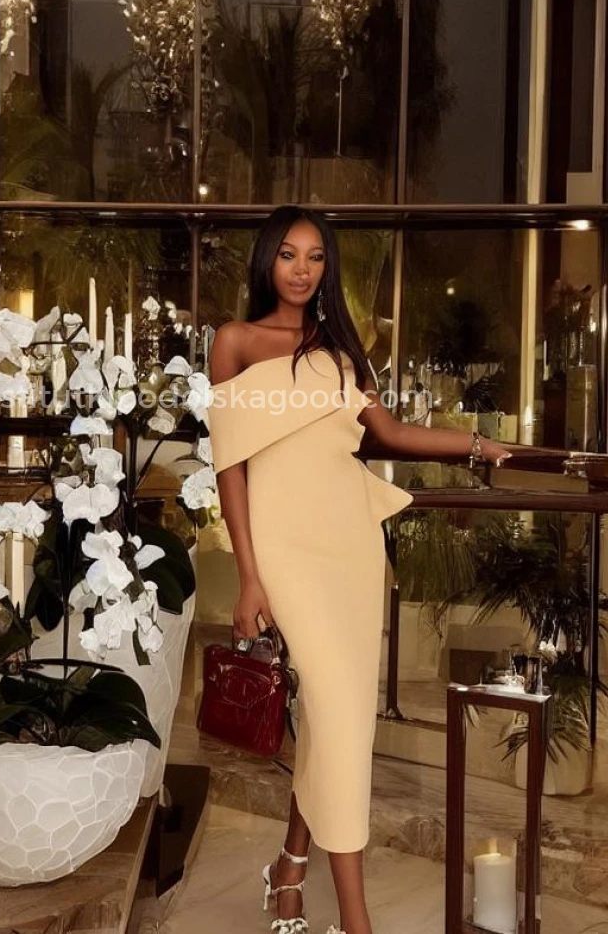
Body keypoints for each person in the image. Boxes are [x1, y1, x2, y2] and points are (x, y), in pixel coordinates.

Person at [207, 205, 513, 934]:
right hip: (283, 550)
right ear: (267, 260)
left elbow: (390, 433)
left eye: (315, 257)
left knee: (336, 717)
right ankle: (356, 919)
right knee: (341, 718)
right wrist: (249, 576)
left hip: (349, 545)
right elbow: (229, 469)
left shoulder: (340, 350)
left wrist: (475, 445)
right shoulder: (234, 342)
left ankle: (291, 866)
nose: (302, 269)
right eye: (289, 254)